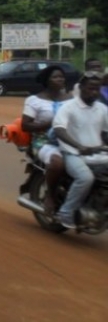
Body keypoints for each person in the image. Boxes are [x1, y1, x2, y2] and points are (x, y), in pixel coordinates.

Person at [52, 71, 108, 229]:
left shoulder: (102, 108)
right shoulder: (68, 107)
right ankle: (66, 212)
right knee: (85, 178)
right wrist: (78, 146)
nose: (94, 92)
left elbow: (105, 133)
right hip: (73, 153)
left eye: (97, 89)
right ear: (81, 87)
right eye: (91, 88)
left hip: (98, 153)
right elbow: (59, 129)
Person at [21, 66, 72, 213]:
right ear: (46, 81)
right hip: (43, 141)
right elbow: (25, 125)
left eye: (61, 77)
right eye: (55, 77)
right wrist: (50, 123)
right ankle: (50, 194)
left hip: (69, 139)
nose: (60, 79)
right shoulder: (34, 100)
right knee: (57, 163)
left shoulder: (71, 99)